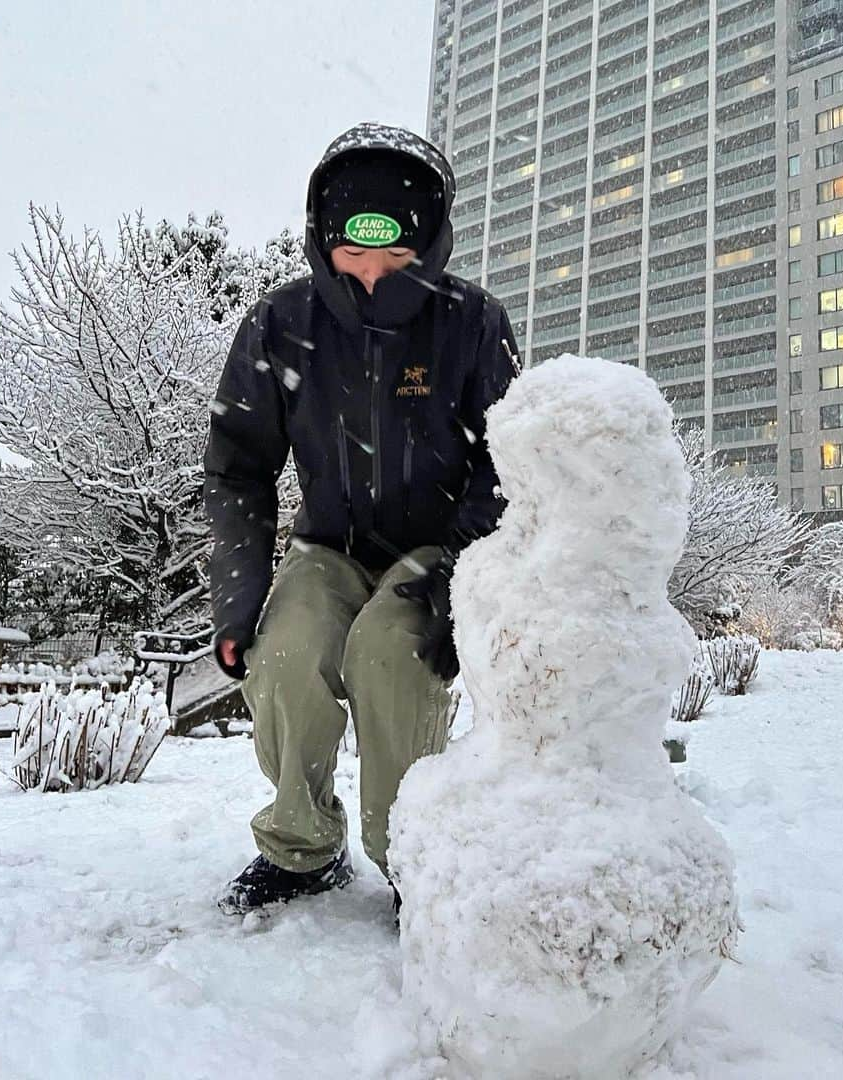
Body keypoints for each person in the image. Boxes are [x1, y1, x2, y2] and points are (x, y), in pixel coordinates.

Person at [204, 123, 519, 917]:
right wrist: (239, 605)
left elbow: (508, 462)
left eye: (396, 259)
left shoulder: (473, 324)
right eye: (353, 256)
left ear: (432, 245)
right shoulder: (281, 324)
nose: (373, 277)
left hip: (433, 546)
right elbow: (239, 466)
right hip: (329, 545)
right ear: (321, 240)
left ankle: (415, 855)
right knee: (288, 654)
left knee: (387, 653)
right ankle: (302, 848)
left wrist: (464, 569)